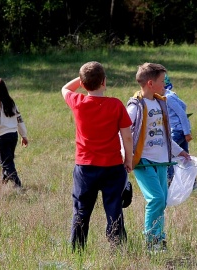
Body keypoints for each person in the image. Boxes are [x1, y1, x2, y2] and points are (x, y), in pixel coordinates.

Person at [61, 61, 133, 251]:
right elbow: (127, 136)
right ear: (104, 81)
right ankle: (117, 248)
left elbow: (65, 88)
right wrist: (128, 159)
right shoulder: (116, 105)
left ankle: (77, 249)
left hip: (85, 167)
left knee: (81, 210)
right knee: (114, 209)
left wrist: (83, 79)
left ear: (83, 85)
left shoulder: (77, 102)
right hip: (113, 166)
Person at [127, 63, 189, 252]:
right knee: (156, 199)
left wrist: (179, 151)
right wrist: (126, 157)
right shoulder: (136, 106)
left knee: (162, 201)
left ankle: (159, 239)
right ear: (151, 83)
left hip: (162, 161)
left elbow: (165, 135)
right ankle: (151, 241)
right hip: (142, 161)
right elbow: (124, 133)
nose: (165, 85)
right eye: (163, 81)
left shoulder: (161, 102)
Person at [0, 78, 28, 189]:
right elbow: (19, 120)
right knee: (8, 159)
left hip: (2, 137)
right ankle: (3, 180)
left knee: (6, 163)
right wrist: (24, 135)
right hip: (13, 136)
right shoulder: (11, 103)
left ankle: (18, 185)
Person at [164, 73, 193, 186]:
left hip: (177, 131)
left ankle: (170, 181)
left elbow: (182, 113)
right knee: (185, 157)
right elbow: (184, 105)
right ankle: (191, 183)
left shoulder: (168, 97)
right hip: (179, 130)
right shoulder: (171, 95)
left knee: (168, 153)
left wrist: (187, 132)